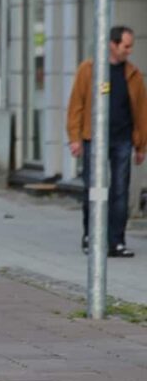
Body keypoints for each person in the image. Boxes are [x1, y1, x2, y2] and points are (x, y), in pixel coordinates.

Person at [67, 25, 147, 257]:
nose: (129, 51)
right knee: (95, 189)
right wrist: (75, 138)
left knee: (120, 191)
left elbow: (140, 111)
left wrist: (141, 145)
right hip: (94, 139)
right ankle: (91, 235)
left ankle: (116, 241)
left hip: (123, 139)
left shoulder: (132, 74)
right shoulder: (89, 70)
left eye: (131, 46)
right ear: (112, 45)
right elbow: (76, 105)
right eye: (126, 46)